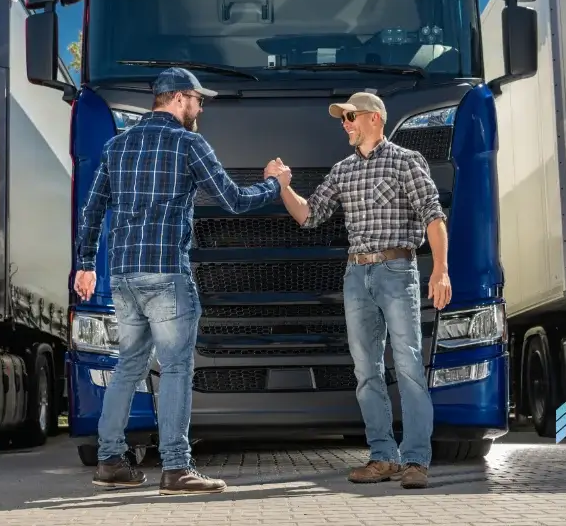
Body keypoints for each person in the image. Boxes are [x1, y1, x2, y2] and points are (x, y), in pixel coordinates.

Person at [73, 67, 291, 496]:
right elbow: (232, 200)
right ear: (177, 99)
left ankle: (111, 461)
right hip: (167, 273)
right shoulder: (188, 143)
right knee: (174, 368)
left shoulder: (116, 147)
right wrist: (273, 184)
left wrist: (84, 263)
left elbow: (92, 211)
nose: (201, 106)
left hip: (123, 276)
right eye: (197, 99)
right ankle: (176, 468)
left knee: (128, 368)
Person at [273, 91, 450, 489]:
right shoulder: (342, 171)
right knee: (366, 371)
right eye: (342, 119)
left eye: (350, 117)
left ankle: (416, 460)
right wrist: (284, 185)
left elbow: (433, 217)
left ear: (373, 118)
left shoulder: (406, 161)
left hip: (396, 269)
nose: (345, 124)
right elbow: (309, 214)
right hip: (356, 276)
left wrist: (440, 269)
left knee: (407, 364)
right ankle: (383, 456)